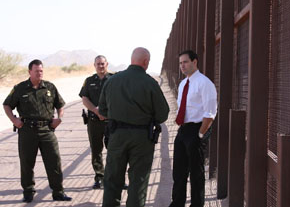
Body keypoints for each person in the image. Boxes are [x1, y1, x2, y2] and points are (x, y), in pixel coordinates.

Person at [99, 47, 169, 207]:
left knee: (112, 179)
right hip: (142, 138)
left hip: (116, 135)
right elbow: (163, 114)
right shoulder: (150, 83)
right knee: (139, 180)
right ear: (145, 62)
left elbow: (102, 110)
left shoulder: (112, 81)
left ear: (132, 60)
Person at [3, 59, 72, 203]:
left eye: (41, 70)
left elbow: (60, 105)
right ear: (30, 72)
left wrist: (59, 118)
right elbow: (7, 105)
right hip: (27, 130)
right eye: (36, 71)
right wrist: (14, 120)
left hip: (47, 129)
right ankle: (28, 192)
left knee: (54, 161)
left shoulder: (50, 87)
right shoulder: (20, 88)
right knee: (27, 162)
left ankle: (58, 192)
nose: (39, 73)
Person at [169, 50, 217, 207]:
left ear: (195, 62)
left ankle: (197, 204)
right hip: (183, 130)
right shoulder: (183, 83)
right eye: (181, 63)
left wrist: (201, 134)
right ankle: (177, 203)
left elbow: (210, 113)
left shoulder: (205, 83)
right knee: (179, 171)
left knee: (196, 173)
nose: (182, 65)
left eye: (186, 62)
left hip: (197, 129)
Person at [79, 55, 114, 189]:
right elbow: (84, 98)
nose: (100, 66)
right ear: (94, 65)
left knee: (114, 150)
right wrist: (95, 110)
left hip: (111, 121)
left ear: (107, 64)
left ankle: (114, 178)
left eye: (102, 64)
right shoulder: (89, 81)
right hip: (94, 121)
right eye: (98, 64)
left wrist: (107, 113)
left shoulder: (114, 79)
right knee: (96, 149)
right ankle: (99, 177)